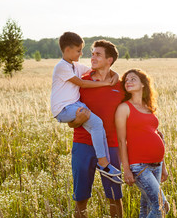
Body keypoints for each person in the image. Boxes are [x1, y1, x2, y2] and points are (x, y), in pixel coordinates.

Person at [50, 32, 121, 180]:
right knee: (97, 123)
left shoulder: (75, 66)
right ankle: (103, 163)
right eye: (78, 50)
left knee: (96, 127)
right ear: (67, 50)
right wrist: (105, 83)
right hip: (63, 109)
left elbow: (96, 69)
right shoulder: (62, 67)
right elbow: (82, 83)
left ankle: (104, 163)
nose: (82, 54)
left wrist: (115, 74)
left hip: (74, 105)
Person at [68, 40, 125, 217]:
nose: (92, 57)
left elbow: (132, 113)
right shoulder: (81, 82)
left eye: (98, 54)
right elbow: (71, 122)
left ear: (110, 60)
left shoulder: (121, 85)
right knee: (81, 198)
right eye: (92, 53)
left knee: (115, 197)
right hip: (83, 145)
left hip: (112, 147)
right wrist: (77, 120)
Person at [115, 69, 169, 217]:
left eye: (133, 79)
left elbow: (157, 135)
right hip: (139, 165)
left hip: (156, 164)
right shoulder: (124, 108)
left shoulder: (148, 107)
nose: (128, 82)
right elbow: (121, 141)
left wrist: (163, 166)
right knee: (161, 206)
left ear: (143, 84)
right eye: (126, 80)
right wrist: (126, 169)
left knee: (145, 208)